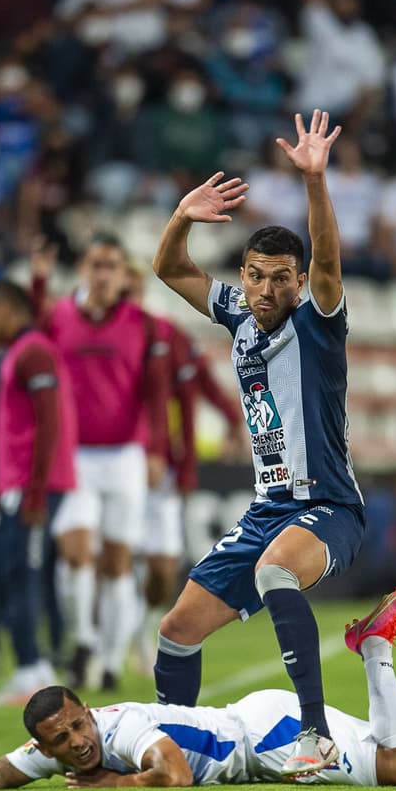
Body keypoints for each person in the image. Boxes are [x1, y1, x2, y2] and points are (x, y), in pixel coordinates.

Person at [150, 109, 364, 778]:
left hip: (328, 506)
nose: (266, 289)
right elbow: (167, 268)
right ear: (243, 274)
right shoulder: (238, 313)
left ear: (299, 282)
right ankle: (175, 749)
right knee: (176, 631)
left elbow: (328, 257)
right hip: (266, 508)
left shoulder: (319, 324)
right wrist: (183, 215)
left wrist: (314, 184)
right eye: (255, 274)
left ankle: (317, 735)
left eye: (280, 277)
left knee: (276, 572)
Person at [0, 588, 396, 791]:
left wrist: (116, 784)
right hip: (261, 724)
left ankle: (372, 647)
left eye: (77, 726)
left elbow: (174, 774)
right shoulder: (60, 746)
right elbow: (2, 773)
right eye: (63, 740)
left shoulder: (120, 731)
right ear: (48, 748)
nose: (78, 743)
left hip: (266, 738)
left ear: (89, 713)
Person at [35, 233, 170, 692]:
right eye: (96, 264)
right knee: (75, 554)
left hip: (125, 455)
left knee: (116, 563)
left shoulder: (143, 324)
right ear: (83, 270)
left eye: (111, 265)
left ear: (122, 272)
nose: (103, 274)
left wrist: (155, 449)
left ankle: (111, 661)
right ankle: (85, 640)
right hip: (74, 456)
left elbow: (155, 393)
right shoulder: (58, 316)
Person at [121, 263, 242, 671]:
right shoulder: (100, 338)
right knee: (116, 556)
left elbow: (202, 380)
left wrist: (230, 418)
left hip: (163, 466)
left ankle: (141, 628)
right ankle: (106, 645)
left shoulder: (167, 336)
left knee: (162, 561)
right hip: (117, 459)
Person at [0, 280, 78, 704]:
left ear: (7, 308)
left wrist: (35, 491)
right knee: (6, 575)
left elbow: (49, 423)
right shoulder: (22, 351)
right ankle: (31, 667)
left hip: (34, 487)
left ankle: (32, 672)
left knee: (21, 576)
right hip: (17, 485)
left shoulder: (33, 351)